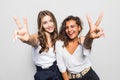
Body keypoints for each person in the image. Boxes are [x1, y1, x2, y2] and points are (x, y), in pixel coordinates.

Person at [13, 10, 63, 80]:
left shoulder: (56, 39)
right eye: (45, 23)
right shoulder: (38, 37)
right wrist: (28, 39)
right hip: (43, 75)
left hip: (57, 72)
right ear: (41, 25)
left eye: (51, 21)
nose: (49, 25)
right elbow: (32, 40)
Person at [56, 13, 104, 80]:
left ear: (79, 28)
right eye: (67, 27)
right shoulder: (59, 44)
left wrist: (90, 37)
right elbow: (61, 66)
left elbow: (87, 46)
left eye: (72, 26)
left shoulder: (83, 40)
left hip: (89, 76)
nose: (69, 30)